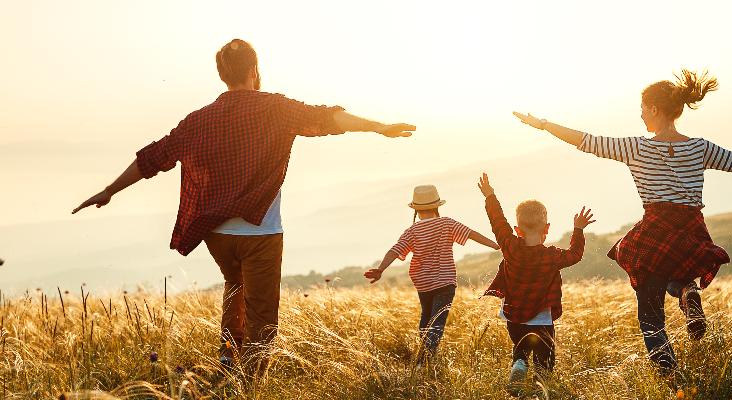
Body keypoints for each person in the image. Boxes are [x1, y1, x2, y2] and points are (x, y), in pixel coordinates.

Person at [72, 39, 416, 374]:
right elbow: (328, 118)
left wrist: (109, 190)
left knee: (234, 287)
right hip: (261, 233)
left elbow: (154, 157)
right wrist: (379, 127)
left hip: (216, 234)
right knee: (262, 313)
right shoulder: (276, 108)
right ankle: (251, 381)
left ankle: (227, 360)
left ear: (223, 74)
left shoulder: (199, 120)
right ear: (254, 69)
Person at [512, 69, 732, 373]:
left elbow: (586, 140)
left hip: (655, 228)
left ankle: (669, 375)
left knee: (649, 313)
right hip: (691, 227)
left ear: (653, 108)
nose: (640, 115)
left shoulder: (636, 147)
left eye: (641, 109)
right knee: (677, 274)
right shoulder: (699, 147)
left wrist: (542, 125)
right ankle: (687, 293)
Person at [476, 173, 593, 395]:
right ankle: (541, 387)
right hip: (541, 316)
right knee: (544, 358)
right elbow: (575, 255)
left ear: (517, 229)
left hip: (513, 314)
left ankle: (519, 362)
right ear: (546, 228)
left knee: (521, 346)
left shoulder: (510, 246)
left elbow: (498, 222)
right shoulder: (551, 256)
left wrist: (490, 196)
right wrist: (578, 230)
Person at [364, 184, 499, 361]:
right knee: (437, 321)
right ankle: (425, 359)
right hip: (445, 282)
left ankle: (422, 356)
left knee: (426, 317)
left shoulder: (412, 231)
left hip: (423, 284)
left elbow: (395, 250)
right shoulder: (447, 223)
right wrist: (496, 245)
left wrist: (381, 269)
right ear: (437, 206)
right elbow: (471, 234)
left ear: (416, 210)